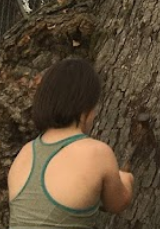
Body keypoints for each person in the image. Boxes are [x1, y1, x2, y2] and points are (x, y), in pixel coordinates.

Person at [7, 58, 134, 227]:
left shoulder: (25, 153)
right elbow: (118, 203)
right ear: (86, 108)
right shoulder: (96, 153)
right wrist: (127, 179)